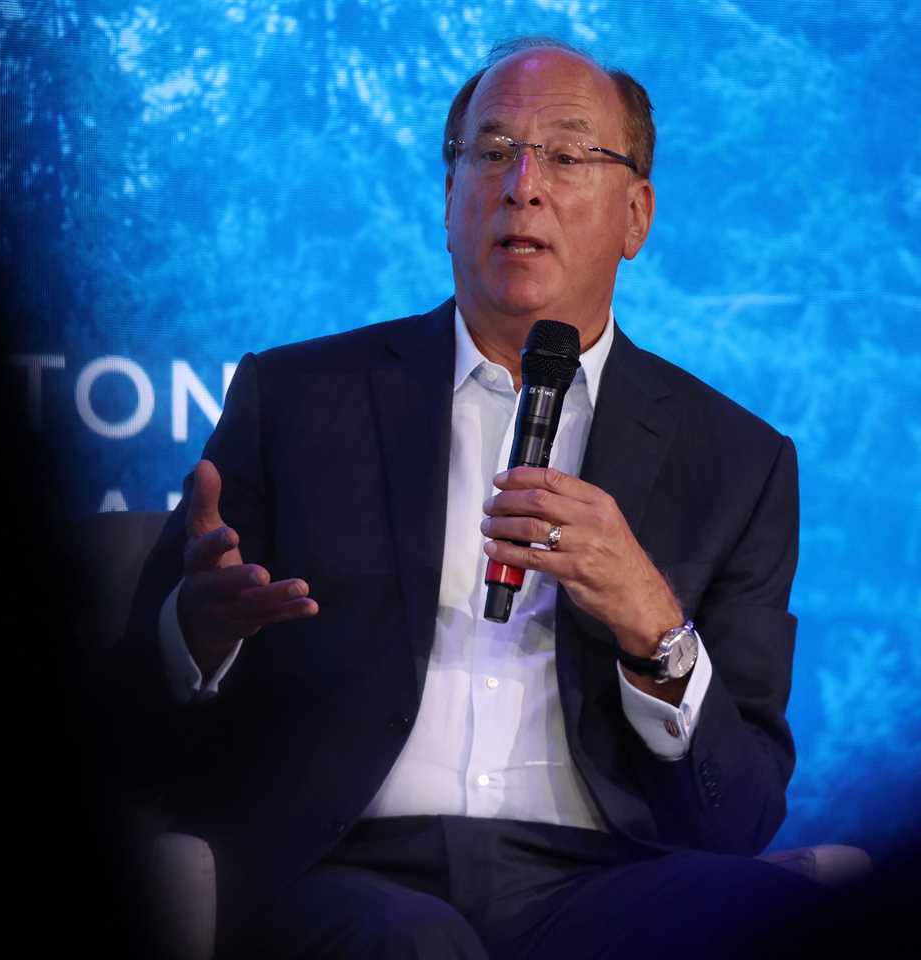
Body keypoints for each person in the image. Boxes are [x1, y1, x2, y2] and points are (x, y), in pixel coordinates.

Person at [122, 36, 816, 958]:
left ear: (636, 215)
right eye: (491, 153)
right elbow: (125, 716)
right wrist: (195, 636)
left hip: (602, 875)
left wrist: (656, 629)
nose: (522, 184)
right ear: (449, 201)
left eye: (567, 156)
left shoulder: (738, 461)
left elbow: (745, 812)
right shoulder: (295, 401)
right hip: (347, 866)